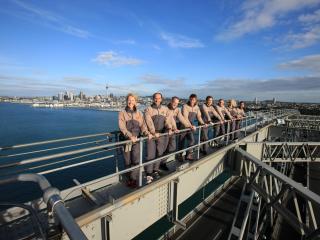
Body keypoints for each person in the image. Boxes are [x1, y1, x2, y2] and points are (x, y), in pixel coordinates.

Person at [118, 93, 152, 188]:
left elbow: (143, 126)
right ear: (126, 101)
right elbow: (122, 127)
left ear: (136, 102)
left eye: (133, 100)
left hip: (137, 140)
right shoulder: (122, 113)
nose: (131, 102)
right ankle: (129, 177)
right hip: (126, 140)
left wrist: (147, 133)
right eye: (129, 100)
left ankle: (133, 179)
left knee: (136, 160)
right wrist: (129, 136)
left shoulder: (139, 113)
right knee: (127, 161)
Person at [144, 92, 171, 183]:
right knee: (150, 154)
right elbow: (148, 121)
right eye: (155, 98)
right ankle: (148, 173)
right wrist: (153, 132)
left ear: (161, 99)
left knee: (159, 153)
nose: (157, 100)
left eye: (159, 98)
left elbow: (167, 120)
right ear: (153, 99)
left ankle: (155, 170)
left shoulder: (165, 109)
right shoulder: (148, 109)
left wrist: (169, 128)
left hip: (161, 134)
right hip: (152, 135)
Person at [166, 96, 195, 163]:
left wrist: (190, 126)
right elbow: (168, 120)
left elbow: (182, 119)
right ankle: (160, 164)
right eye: (174, 102)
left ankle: (162, 162)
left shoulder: (177, 110)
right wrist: (172, 128)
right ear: (171, 101)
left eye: (177, 103)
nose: (175, 104)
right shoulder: (166, 109)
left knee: (172, 147)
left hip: (172, 130)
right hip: (166, 130)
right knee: (163, 148)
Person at [179, 94, 206, 161]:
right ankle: (179, 155)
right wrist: (191, 126)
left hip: (190, 126)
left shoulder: (197, 107)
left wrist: (203, 123)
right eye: (191, 99)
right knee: (181, 141)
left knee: (192, 140)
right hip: (183, 126)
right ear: (189, 99)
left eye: (193, 100)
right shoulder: (185, 106)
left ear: (196, 100)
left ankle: (188, 155)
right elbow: (185, 118)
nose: (192, 101)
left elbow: (199, 117)